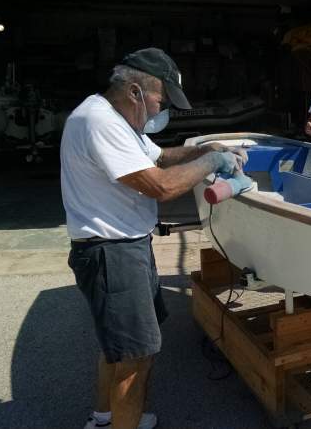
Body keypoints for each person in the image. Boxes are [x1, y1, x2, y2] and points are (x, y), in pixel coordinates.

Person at [60, 47, 251, 429]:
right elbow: (160, 186)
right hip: (112, 253)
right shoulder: (101, 123)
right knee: (136, 357)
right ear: (134, 91)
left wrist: (204, 148)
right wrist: (211, 163)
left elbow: (161, 157)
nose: (162, 109)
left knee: (118, 350)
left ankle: (103, 419)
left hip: (124, 246)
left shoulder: (115, 117)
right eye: (160, 99)